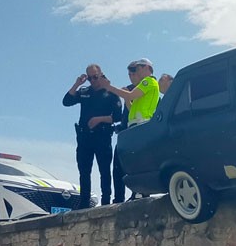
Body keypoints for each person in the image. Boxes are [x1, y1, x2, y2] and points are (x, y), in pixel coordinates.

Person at [98, 58, 171, 201]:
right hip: (136, 126)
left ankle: (141, 192)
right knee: (133, 162)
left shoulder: (148, 81)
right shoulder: (143, 86)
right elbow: (132, 105)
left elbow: (130, 95)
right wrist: (126, 98)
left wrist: (109, 87)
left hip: (141, 126)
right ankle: (138, 192)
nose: (136, 71)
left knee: (139, 162)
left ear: (147, 68)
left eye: (138, 68)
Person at [62, 64, 123, 209]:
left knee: (104, 170)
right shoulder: (84, 91)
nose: (93, 81)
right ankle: (84, 203)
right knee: (84, 171)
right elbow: (66, 101)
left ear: (101, 75)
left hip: (102, 136)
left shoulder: (111, 93)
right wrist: (77, 84)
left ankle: (106, 202)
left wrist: (100, 119)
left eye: (95, 77)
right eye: (90, 78)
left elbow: (118, 116)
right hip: (84, 138)